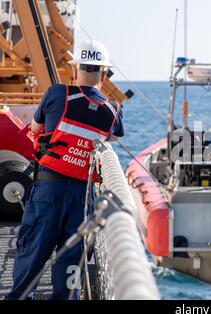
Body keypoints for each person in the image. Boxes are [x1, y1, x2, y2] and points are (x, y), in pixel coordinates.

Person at [5, 40, 124, 300]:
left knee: (33, 252)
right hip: (83, 199)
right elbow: (112, 138)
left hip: (48, 190)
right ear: (103, 75)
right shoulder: (114, 112)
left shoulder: (58, 94)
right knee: (72, 262)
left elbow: (35, 130)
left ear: (74, 70)